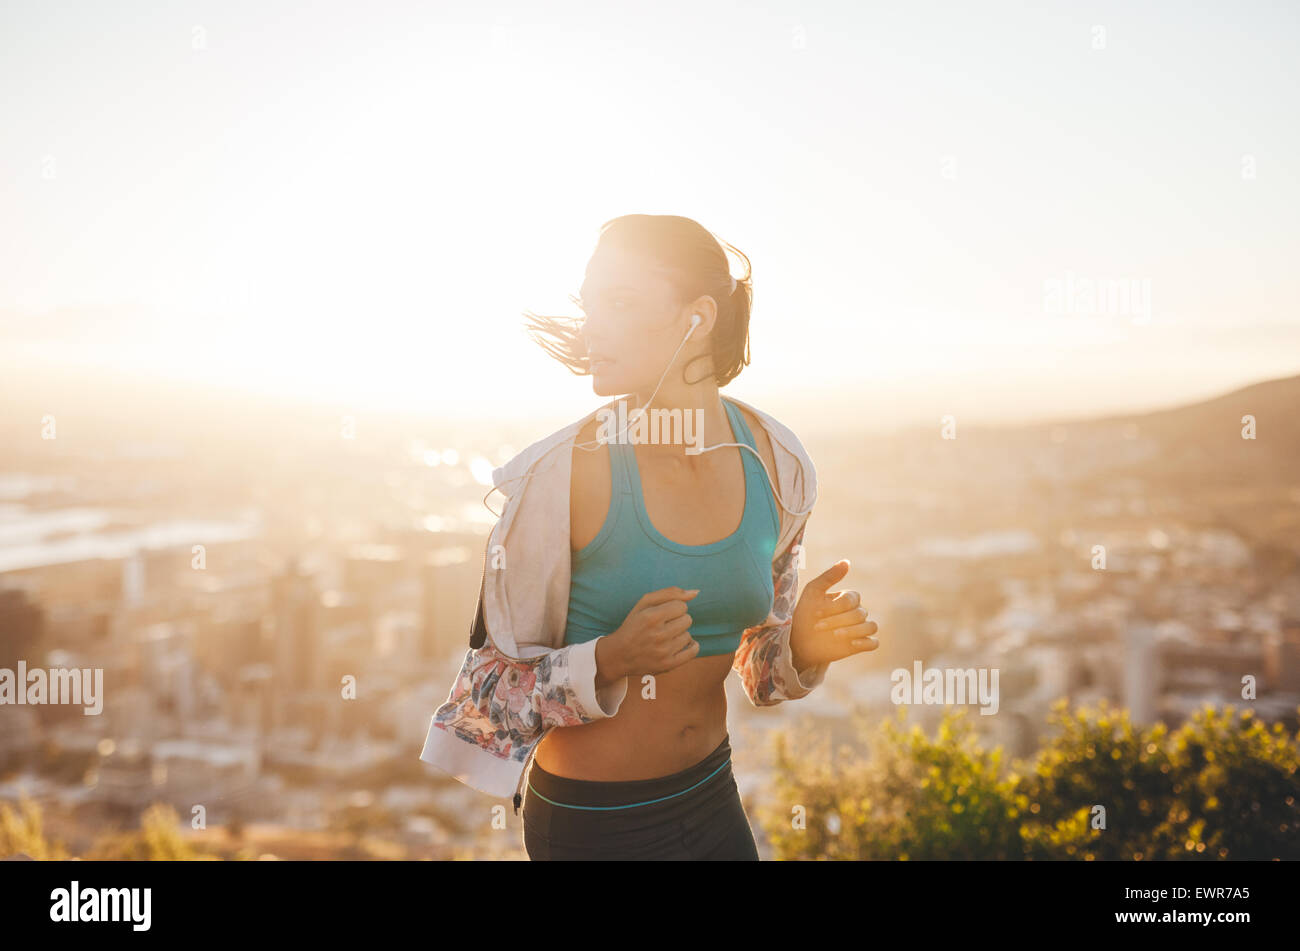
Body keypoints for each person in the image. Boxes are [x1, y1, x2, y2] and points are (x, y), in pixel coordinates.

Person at [419, 214, 878, 860]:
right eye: (589, 304)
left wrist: (799, 645)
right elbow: (485, 705)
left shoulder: (776, 464)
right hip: (594, 826)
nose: (591, 326)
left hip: (713, 797)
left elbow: (758, 672)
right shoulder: (561, 479)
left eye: (619, 301)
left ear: (698, 317)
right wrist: (607, 659)